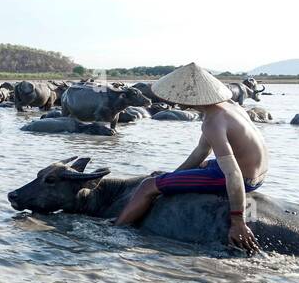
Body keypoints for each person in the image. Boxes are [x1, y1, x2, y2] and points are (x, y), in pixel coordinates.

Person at [113, 63, 268, 252]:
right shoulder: (230, 107)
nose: (175, 101)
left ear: (192, 96)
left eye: (180, 95)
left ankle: (115, 232)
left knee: (147, 185)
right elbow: (201, 152)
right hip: (259, 174)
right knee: (195, 166)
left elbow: (232, 173)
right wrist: (173, 176)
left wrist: (237, 220)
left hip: (242, 178)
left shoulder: (213, 122)